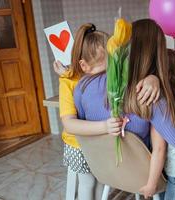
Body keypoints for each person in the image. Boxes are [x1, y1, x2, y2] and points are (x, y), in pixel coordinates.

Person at [55, 23, 160, 200]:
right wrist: (153, 78)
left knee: (90, 185)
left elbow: (80, 118)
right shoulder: (132, 83)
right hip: (139, 170)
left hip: (104, 166)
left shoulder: (80, 87)